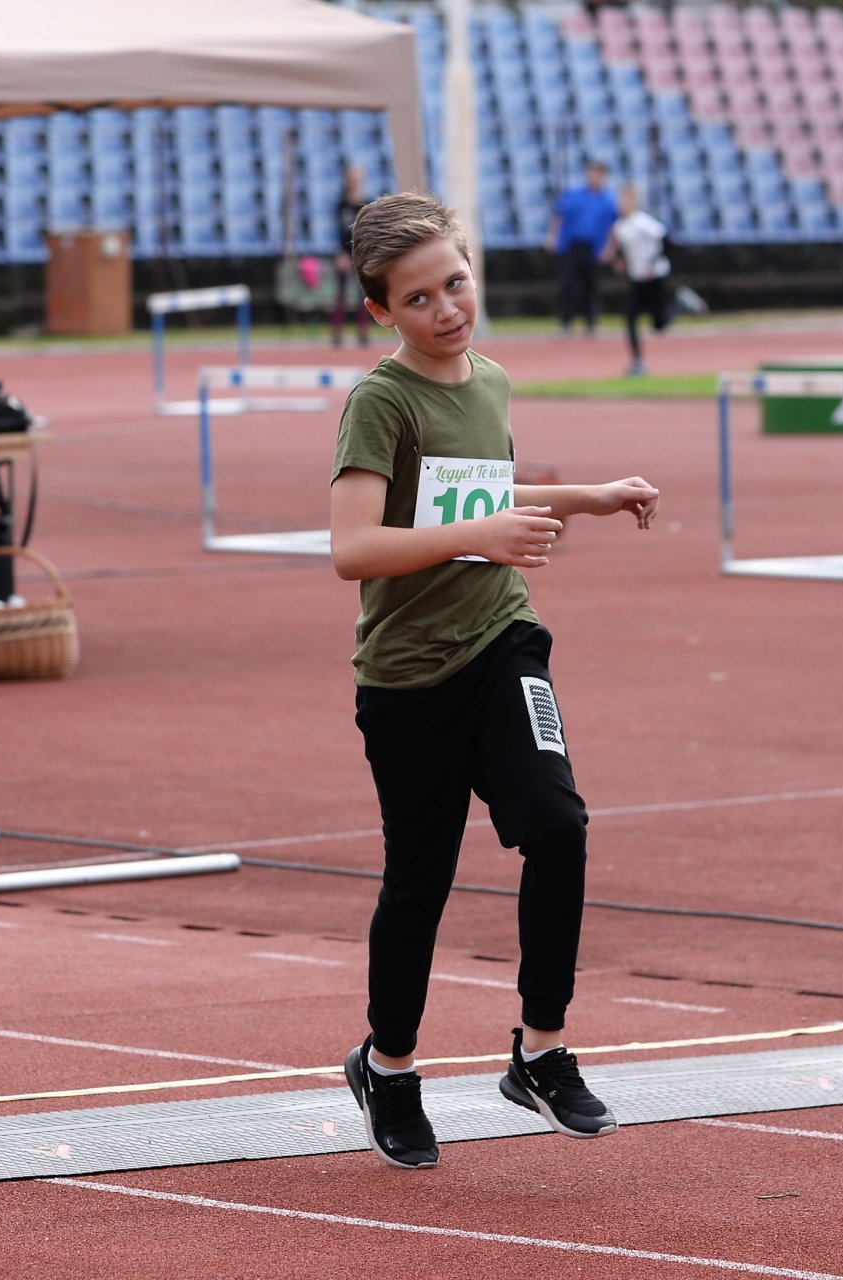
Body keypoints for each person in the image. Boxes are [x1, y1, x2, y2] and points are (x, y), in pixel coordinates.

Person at [328, 191, 659, 1169]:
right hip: (406, 681)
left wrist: (586, 496)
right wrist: (479, 535)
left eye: (456, 282)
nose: (446, 308)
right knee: (418, 882)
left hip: (503, 641)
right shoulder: (379, 401)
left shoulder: (493, 380)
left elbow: (483, 489)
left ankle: (541, 1048)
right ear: (383, 309)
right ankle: (387, 1065)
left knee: (558, 824)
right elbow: (353, 547)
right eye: (419, 296)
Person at [603, 183, 708, 377]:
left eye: (627, 199)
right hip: (636, 280)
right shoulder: (620, 227)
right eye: (621, 200)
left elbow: (668, 242)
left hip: (654, 279)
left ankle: (678, 303)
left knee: (658, 324)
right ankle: (637, 362)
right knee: (630, 317)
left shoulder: (645, 223)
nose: (623, 204)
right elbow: (623, 252)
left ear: (635, 202)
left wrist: (653, 263)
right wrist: (619, 262)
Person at [546, 160, 618, 336]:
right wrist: (553, 237)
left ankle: (591, 322)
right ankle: (566, 322)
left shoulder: (608, 199)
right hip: (571, 245)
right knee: (568, 285)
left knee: (592, 286)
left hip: (594, 248)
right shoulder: (574, 194)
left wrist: (610, 248)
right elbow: (559, 216)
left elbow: (613, 226)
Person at [331, 163, 372, 349]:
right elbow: (338, 231)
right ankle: (337, 333)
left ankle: (362, 333)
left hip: (361, 253)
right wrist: (341, 254)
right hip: (344, 254)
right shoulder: (341, 204)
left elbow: (368, 230)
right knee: (340, 295)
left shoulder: (367, 203)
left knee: (362, 294)